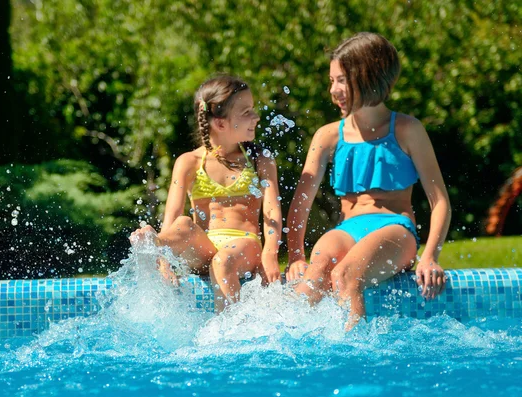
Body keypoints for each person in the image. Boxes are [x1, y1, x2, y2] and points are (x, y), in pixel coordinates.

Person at [285, 32, 451, 329]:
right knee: (315, 275)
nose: (332, 89)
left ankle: (353, 363)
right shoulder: (328, 135)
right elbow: (302, 202)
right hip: (347, 229)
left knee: (346, 275)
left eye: (340, 80)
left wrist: (430, 256)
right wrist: (296, 255)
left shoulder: (407, 130)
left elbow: (439, 202)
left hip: (395, 230)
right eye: (331, 80)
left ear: (367, 77)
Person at [130, 75, 282, 312]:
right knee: (183, 224)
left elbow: (272, 211)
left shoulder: (260, 160)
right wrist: (163, 264)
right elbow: (172, 216)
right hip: (205, 248)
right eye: (246, 112)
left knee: (223, 262)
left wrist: (270, 254)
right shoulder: (189, 162)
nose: (256, 117)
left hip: (245, 245)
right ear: (220, 124)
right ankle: (154, 246)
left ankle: (225, 334)